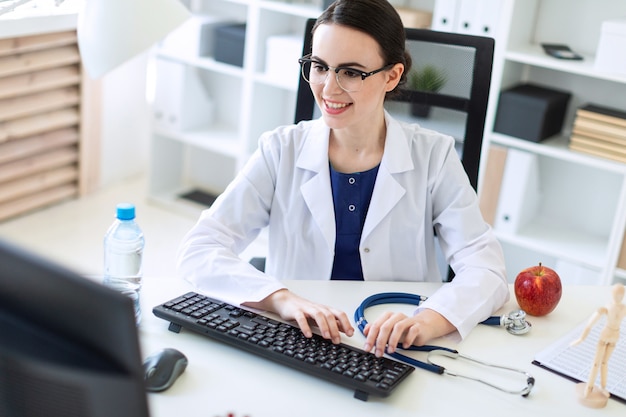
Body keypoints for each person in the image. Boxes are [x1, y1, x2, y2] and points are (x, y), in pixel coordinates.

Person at [177, 0, 509, 357]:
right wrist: (282, 300)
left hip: (393, 345)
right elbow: (199, 249)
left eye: (351, 72)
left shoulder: (433, 157)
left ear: (392, 76)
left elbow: (486, 269)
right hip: (300, 336)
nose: (328, 89)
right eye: (319, 66)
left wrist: (428, 321)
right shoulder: (280, 150)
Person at [570, 283, 626, 407]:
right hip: (605, 335)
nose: (619, 297)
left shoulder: (624, 308)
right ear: (612, 294)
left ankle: (603, 387)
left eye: (621, 294)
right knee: (596, 363)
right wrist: (581, 338)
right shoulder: (607, 306)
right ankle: (589, 387)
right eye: (617, 294)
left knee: (605, 363)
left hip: (615, 337)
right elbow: (590, 323)